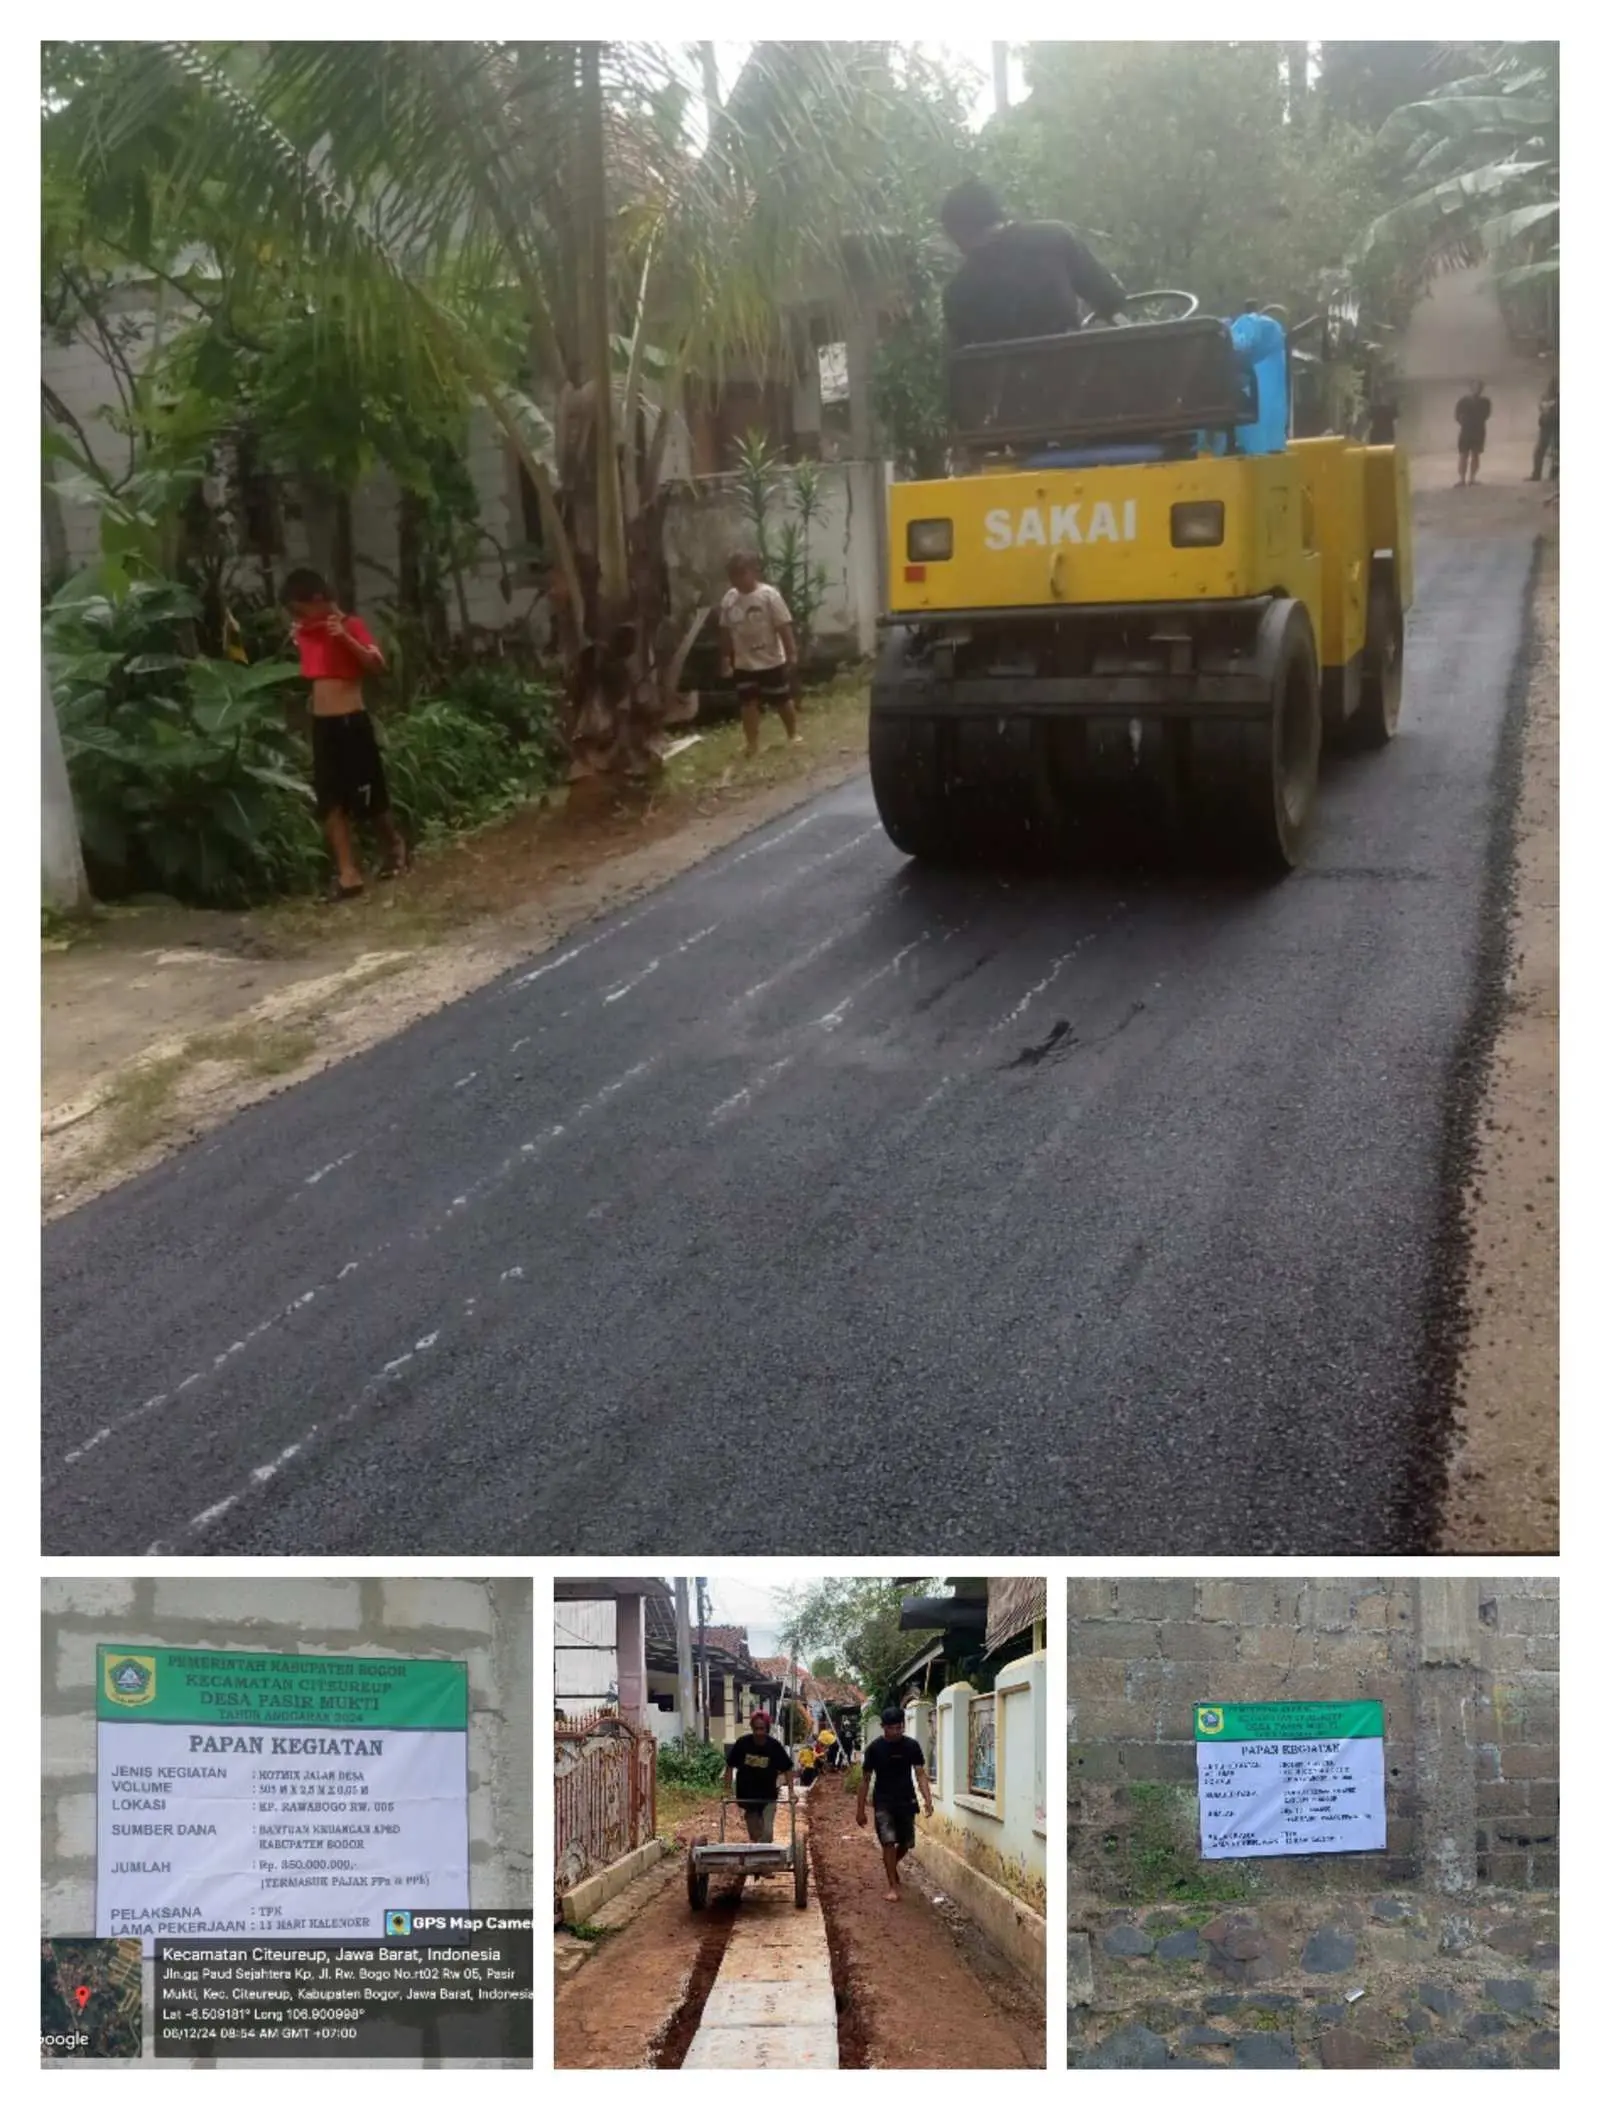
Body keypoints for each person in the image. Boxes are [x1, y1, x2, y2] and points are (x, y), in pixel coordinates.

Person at [281, 568, 409, 900]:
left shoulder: (350, 625)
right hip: (323, 725)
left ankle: (394, 845)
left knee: (368, 795)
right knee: (331, 799)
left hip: (351, 720)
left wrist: (344, 637)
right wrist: (301, 634)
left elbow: (377, 665)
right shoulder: (308, 631)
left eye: (300, 608)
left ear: (319, 600)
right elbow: (311, 665)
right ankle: (348, 872)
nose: (297, 616)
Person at [939, 178, 1127, 349]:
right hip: (1075, 376)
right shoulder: (1055, 237)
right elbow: (1111, 299)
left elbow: (966, 362)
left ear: (958, 232)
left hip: (1006, 385)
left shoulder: (956, 292)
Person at [719, 552, 800, 758]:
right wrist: (726, 658)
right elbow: (726, 631)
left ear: (753, 572)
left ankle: (793, 734)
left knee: (782, 699)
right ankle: (752, 743)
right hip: (744, 662)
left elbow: (783, 626)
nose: (738, 580)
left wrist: (791, 652)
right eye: (733, 576)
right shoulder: (729, 599)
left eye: (742, 574)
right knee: (748, 703)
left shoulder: (769, 595)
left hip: (770, 659)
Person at [856, 1706, 933, 1902]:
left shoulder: (912, 1746)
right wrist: (860, 1810)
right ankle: (891, 1885)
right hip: (883, 1801)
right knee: (888, 1841)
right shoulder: (874, 1749)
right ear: (884, 1728)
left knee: (907, 1843)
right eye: (893, 1728)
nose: (897, 1731)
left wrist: (927, 1799)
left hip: (906, 1799)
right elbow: (865, 1780)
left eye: (900, 1727)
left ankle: (891, 1864)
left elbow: (920, 1773)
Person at [723, 1711, 794, 1843]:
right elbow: (729, 1765)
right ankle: (758, 1858)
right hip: (748, 1797)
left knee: (767, 1833)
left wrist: (791, 1792)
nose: (758, 1732)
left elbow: (788, 1768)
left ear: (766, 1729)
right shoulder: (742, 1744)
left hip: (768, 1796)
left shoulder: (774, 1747)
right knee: (755, 1834)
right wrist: (726, 1789)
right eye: (756, 1729)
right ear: (752, 1728)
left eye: (761, 1729)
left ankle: (764, 1860)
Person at [1454, 381, 1492, 487]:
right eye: (1475, 387)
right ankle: (1462, 479)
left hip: (1478, 431)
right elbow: (1457, 415)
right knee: (1463, 455)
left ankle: (1472, 478)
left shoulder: (1485, 402)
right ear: (1471, 388)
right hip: (1466, 431)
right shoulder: (1463, 401)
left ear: (1481, 389)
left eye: (1479, 387)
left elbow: (1486, 415)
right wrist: (1464, 422)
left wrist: (1473, 420)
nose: (1477, 390)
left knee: (1475, 455)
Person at [1529, 383, 1558, 482]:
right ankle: (1537, 474)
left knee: (1555, 452)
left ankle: (1553, 475)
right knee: (1540, 452)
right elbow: (1541, 408)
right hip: (1546, 426)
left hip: (1556, 427)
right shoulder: (1545, 397)